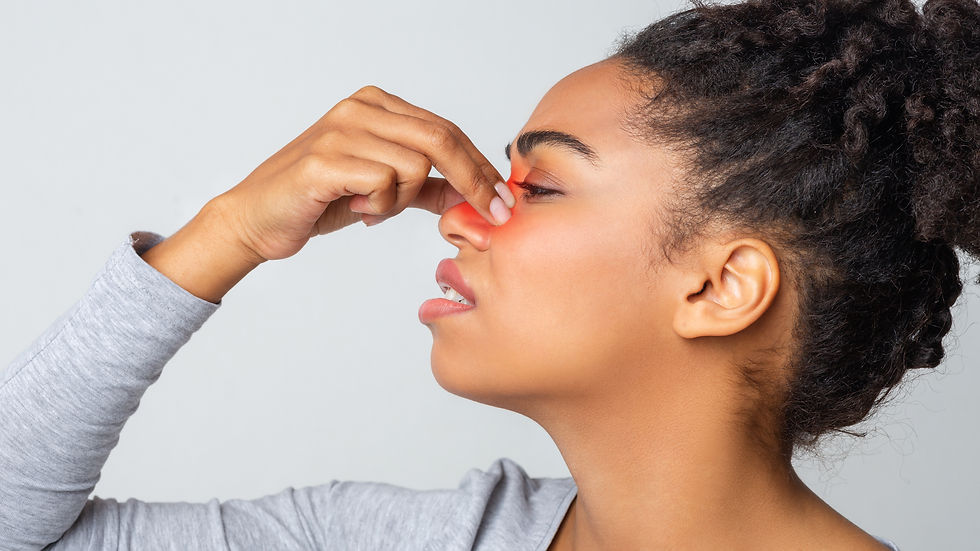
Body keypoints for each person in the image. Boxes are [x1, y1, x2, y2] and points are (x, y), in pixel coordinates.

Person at [2, 0, 976, 547]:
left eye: (538, 187)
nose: (461, 214)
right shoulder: (440, 536)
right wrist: (226, 231)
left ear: (721, 285)